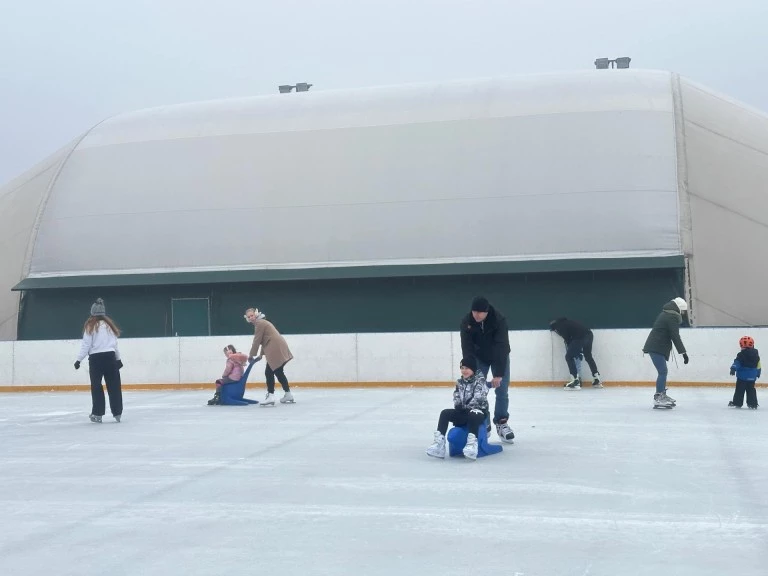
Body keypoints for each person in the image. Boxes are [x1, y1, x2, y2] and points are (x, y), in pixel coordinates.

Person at [460, 296, 514, 443]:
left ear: (487, 312)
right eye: (474, 311)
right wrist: (469, 367)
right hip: (479, 357)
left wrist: (498, 374)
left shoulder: (498, 320)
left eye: (480, 312)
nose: (476, 315)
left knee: (501, 389)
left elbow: (501, 346)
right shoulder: (467, 322)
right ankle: (484, 421)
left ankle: (501, 422)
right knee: (478, 389)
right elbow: (467, 347)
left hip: (499, 356)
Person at [426, 357, 489, 461]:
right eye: (462, 368)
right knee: (445, 413)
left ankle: (472, 444)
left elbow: (479, 398)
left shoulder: (480, 382)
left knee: (474, 413)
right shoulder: (460, 382)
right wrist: (458, 405)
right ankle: (439, 445)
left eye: (467, 368)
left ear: (473, 369)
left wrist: (467, 408)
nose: (464, 370)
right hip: (464, 411)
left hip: (479, 412)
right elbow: (456, 395)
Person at [74, 298, 123, 423]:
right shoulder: (109, 326)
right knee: (114, 386)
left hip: (96, 360)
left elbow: (86, 345)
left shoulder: (90, 326)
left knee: (96, 387)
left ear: (92, 313)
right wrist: (118, 359)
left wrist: (79, 360)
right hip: (110, 358)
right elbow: (114, 344)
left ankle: (98, 413)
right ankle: (117, 413)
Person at [642, 297, 689, 409]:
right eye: (682, 311)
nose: (683, 314)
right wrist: (683, 353)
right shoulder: (671, 317)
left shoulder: (667, 314)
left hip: (657, 347)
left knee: (663, 371)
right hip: (656, 347)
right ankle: (659, 397)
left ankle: (662, 394)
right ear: (679, 309)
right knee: (663, 371)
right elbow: (675, 336)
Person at [245, 308, 295, 406]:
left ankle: (271, 396)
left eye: (252, 315)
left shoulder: (259, 323)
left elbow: (257, 340)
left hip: (275, 347)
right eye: (249, 316)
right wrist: (260, 354)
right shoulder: (262, 322)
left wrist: (251, 355)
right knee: (278, 371)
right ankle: (288, 394)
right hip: (277, 345)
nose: (251, 318)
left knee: (269, 372)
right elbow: (265, 340)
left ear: (256, 314)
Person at [549, 317, 603, 390]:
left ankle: (575, 381)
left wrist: (574, 350)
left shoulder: (559, 327)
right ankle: (597, 379)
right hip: (589, 334)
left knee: (568, 357)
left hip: (580, 338)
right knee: (588, 356)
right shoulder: (568, 322)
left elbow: (567, 340)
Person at [729, 336, 760, 409]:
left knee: (739, 390)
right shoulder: (756, 355)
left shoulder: (741, 354)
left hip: (742, 377)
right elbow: (759, 365)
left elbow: (737, 362)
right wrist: (758, 373)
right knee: (751, 390)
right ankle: (753, 404)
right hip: (752, 377)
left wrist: (733, 368)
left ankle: (737, 403)